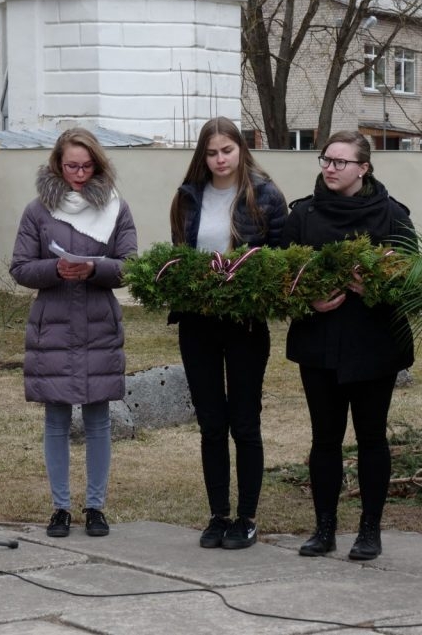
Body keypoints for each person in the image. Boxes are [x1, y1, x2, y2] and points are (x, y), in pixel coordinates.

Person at [283, 130, 414, 561]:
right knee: (325, 439)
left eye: (341, 162)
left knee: (371, 438)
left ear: (364, 168)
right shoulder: (302, 215)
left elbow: (413, 280)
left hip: (375, 344)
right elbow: (280, 275)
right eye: (326, 160)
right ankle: (323, 530)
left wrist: (377, 285)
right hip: (318, 343)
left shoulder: (392, 215)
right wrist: (309, 298)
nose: (331, 168)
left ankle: (370, 531)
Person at [10, 127, 137, 538]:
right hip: (54, 323)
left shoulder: (116, 208)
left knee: (99, 418)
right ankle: (60, 508)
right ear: (57, 165)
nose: (78, 174)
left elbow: (129, 264)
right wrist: (56, 269)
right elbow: (20, 267)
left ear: (97, 165)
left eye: (86, 166)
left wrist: (95, 268)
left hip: (98, 321)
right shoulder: (38, 211)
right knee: (56, 419)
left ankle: (96, 507)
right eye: (70, 166)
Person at [169, 117, 288, 550]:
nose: (220, 160)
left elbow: (279, 263)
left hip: (245, 324)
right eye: (211, 153)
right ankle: (218, 514)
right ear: (202, 156)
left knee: (244, 421)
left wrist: (245, 286)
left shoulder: (267, 196)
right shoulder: (187, 197)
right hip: (197, 322)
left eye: (227, 151)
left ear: (241, 149)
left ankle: (247, 517)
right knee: (211, 423)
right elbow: (180, 258)